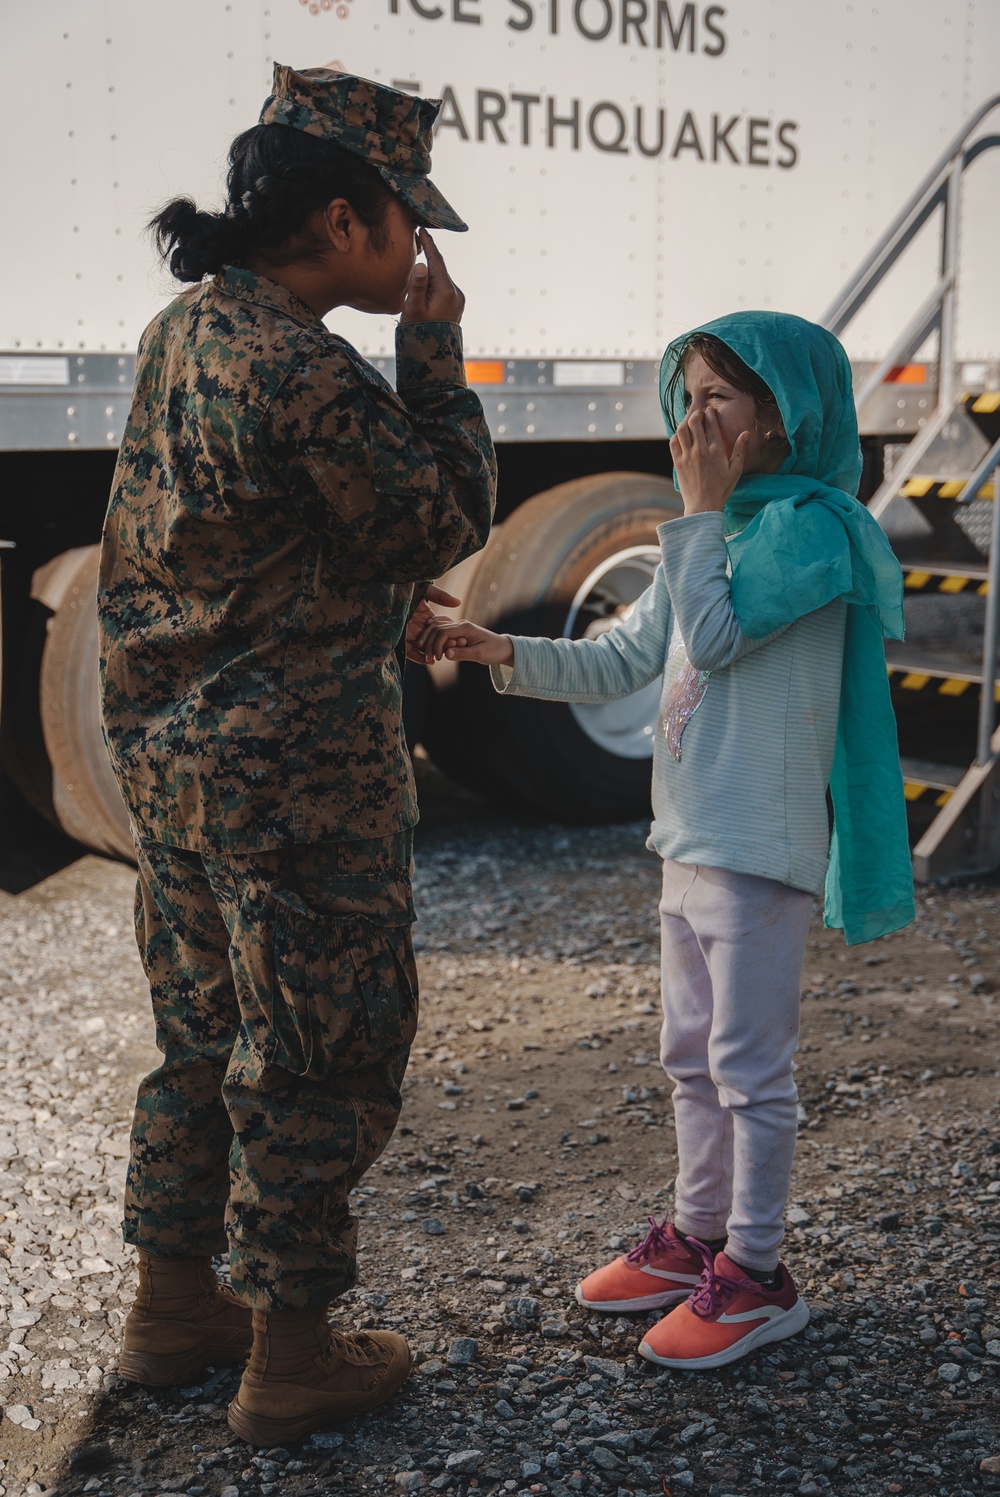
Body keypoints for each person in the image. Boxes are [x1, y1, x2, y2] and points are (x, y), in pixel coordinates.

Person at [97, 64, 496, 1444]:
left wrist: (364, 611)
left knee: (203, 1037)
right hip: (298, 780)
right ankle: (291, 1355)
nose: (420, 254)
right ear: (343, 220)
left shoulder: (188, 328)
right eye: (408, 225)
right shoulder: (304, 364)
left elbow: (227, 546)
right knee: (320, 1052)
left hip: (181, 768)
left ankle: (168, 1312)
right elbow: (433, 512)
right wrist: (435, 358)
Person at [413, 311, 914, 1371]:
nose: (695, 418)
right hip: (687, 846)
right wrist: (496, 646)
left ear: (788, 418)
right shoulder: (717, 534)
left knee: (747, 1069)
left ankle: (760, 1274)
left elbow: (722, 640)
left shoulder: (812, 533)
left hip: (758, 851)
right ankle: (696, 1237)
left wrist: (688, 518)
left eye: (721, 398)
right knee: (687, 1056)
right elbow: (620, 658)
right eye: (686, 396)